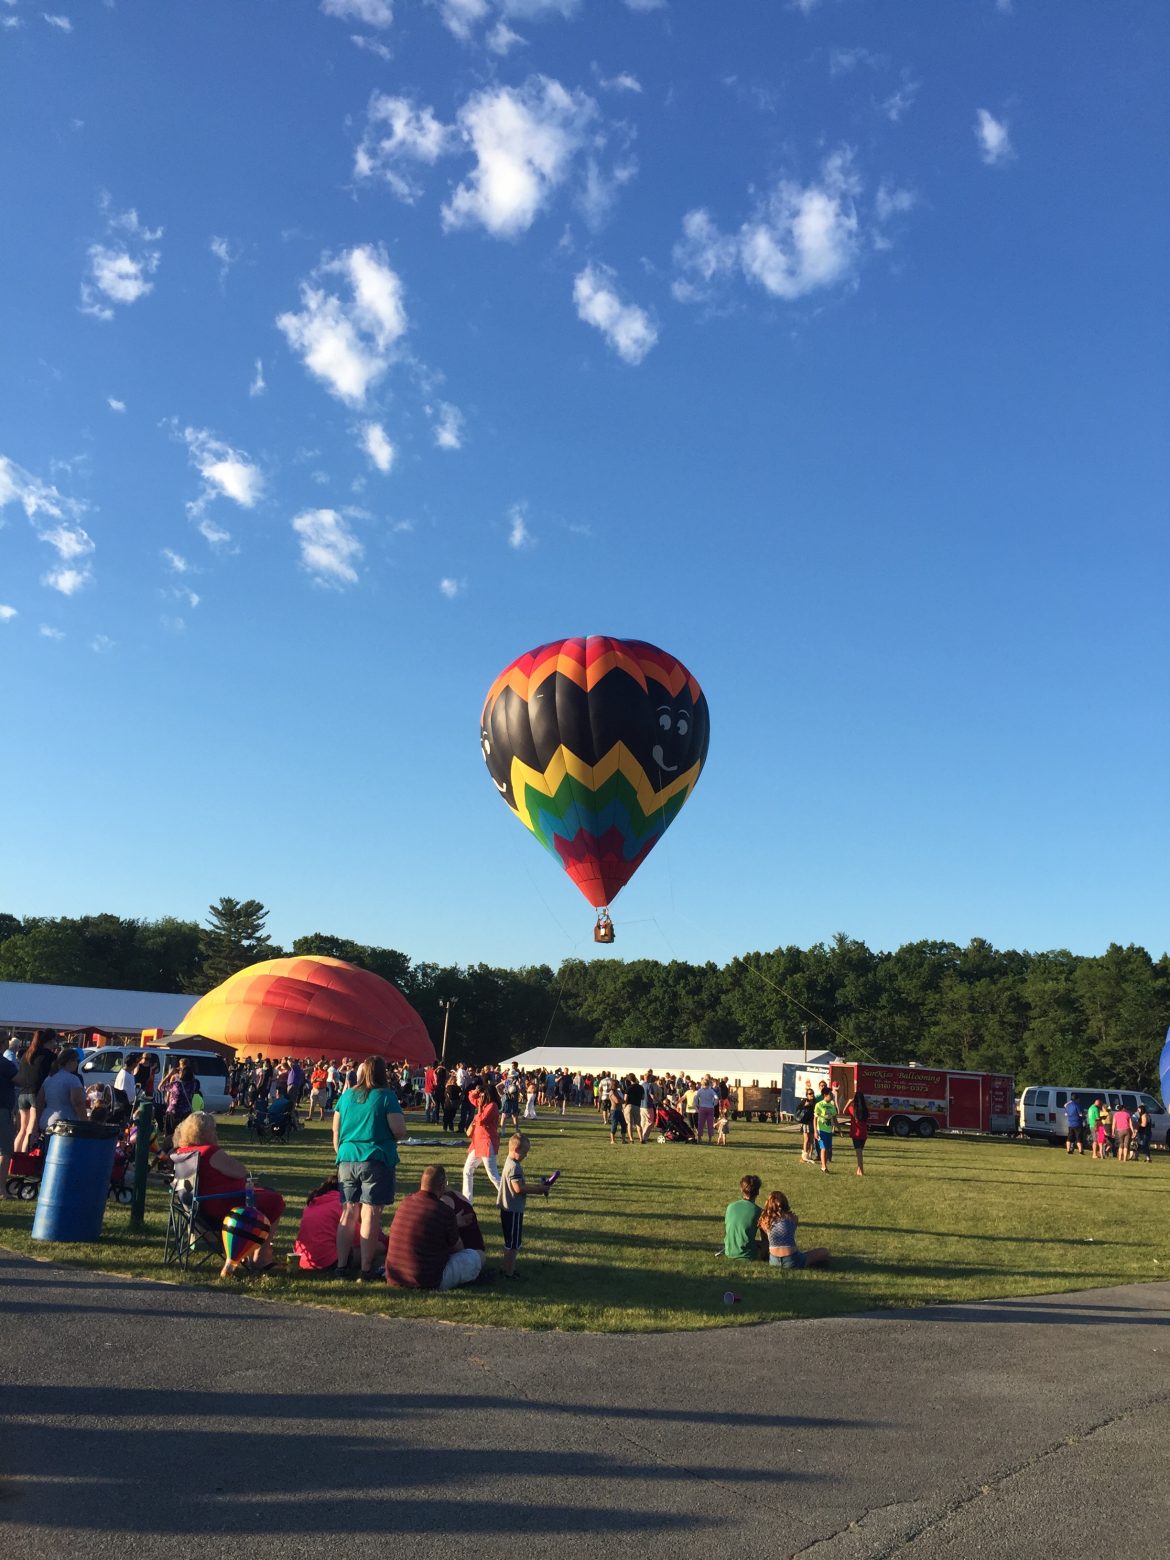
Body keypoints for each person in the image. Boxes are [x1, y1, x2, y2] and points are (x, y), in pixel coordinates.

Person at [171, 1112, 285, 1278]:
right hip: (222, 1208)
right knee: (275, 1200)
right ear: (204, 1133)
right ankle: (260, 1257)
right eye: (213, 1130)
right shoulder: (210, 1152)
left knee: (265, 1194)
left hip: (197, 1209)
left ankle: (250, 1253)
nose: (216, 1133)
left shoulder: (183, 1152)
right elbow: (240, 1171)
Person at [332, 1055, 405, 1281]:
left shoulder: (346, 1097)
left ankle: (342, 1266)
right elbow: (398, 1130)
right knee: (370, 1213)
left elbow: (336, 1129)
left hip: (347, 1157)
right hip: (375, 1158)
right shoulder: (386, 1096)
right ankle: (365, 1268)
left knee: (348, 1212)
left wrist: (341, 1151)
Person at [386, 1163, 484, 1290]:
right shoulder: (443, 1211)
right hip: (426, 1279)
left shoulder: (405, 1202)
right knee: (476, 1256)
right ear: (442, 1186)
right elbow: (457, 1247)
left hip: (395, 1275)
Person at [294, 1175, 388, 1272]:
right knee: (377, 1246)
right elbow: (361, 1238)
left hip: (303, 1259)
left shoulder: (315, 1201)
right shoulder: (343, 1205)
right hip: (328, 1261)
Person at [496, 1132, 550, 1280]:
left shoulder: (510, 1162)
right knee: (514, 1244)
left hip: (507, 1208)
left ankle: (505, 1268)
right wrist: (539, 1190)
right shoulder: (514, 1168)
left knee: (510, 1242)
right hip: (513, 1209)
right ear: (516, 1150)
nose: (526, 1155)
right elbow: (518, 1188)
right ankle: (509, 1272)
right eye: (525, 1152)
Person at [759, 1190, 830, 1270]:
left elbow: (766, 1241)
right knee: (824, 1251)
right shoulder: (793, 1218)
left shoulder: (764, 1221)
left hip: (773, 1261)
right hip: (792, 1260)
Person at [14, 1030, 57, 1153]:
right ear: (50, 1040)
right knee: (31, 1130)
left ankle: (15, 1158)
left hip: (23, 1093)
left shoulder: (27, 1054)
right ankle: (24, 1159)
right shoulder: (50, 1057)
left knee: (22, 1129)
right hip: (36, 1093)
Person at [462, 1077, 502, 1202]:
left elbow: (481, 1120)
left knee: (493, 1175)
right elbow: (470, 1098)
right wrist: (476, 1092)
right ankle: (467, 1199)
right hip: (477, 1142)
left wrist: (479, 1107)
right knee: (467, 1170)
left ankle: (508, 1194)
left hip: (486, 1142)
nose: (481, 1096)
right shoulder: (483, 1103)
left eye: (483, 1093)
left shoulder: (492, 1106)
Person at [39, 1046, 87, 1130]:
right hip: (65, 1124)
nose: (77, 1063)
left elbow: (40, 1101)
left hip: (46, 1120)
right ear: (69, 1061)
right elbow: (77, 1102)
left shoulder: (49, 1078)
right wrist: (85, 1123)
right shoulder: (73, 1079)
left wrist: (36, 1120)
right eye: (77, 1060)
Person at [724, 1174, 762, 1259]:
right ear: (758, 1192)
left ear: (742, 1190)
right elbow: (766, 1240)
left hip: (729, 1251)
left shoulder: (730, 1207)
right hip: (748, 1254)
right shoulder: (759, 1212)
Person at [162, 1058, 196, 1138]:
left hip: (173, 1110)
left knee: (170, 1134)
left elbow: (161, 1087)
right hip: (186, 1110)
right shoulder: (193, 1083)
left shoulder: (177, 1083)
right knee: (183, 1134)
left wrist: (169, 1074)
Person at [0, 1043, 17, 1198]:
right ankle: (1, 1190)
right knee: (4, 1150)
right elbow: (20, 1080)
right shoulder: (5, 1064)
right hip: (2, 1110)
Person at [842, 1090, 869, 1176]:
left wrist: (849, 1102)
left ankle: (861, 1170)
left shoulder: (852, 1108)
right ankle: (858, 1170)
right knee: (860, 1152)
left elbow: (843, 1112)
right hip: (864, 1134)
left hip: (856, 1133)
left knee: (859, 1153)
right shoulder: (865, 1109)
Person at [814, 1084, 838, 1173]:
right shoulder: (819, 1105)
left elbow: (834, 1118)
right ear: (825, 1095)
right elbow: (815, 1118)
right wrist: (816, 1131)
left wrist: (838, 1129)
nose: (832, 1095)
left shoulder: (832, 1106)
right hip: (821, 1130)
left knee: (827, 1148)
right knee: (823, 1148)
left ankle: (824, 1166)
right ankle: (824, 1167)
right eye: (830, 1094)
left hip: (829, 1130)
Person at [695, 1076, 718, 1143]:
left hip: (702, 1107)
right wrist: (714, 1104)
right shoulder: (711, 1091)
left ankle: (699, 1139)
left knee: (701, 1124)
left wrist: (697, 1105)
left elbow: (696, 1098)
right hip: (710, 1108)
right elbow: (716, 1098)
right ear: (708, 1084)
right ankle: (710, 1140)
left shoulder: (700, 1090)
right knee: (710, 1124)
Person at [796, 1088, 816, 1164]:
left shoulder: (815, 1102)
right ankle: (804, 1156)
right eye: (810, 1094)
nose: (811, 1095)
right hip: (806, 1122)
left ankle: (810, 1156)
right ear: (807, 1095)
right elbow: (798, 1110)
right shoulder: (804, 1101)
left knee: (812, 1140)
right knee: (806, 1139)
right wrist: (805, 1106)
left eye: (812, 1093)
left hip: (813, 1122)